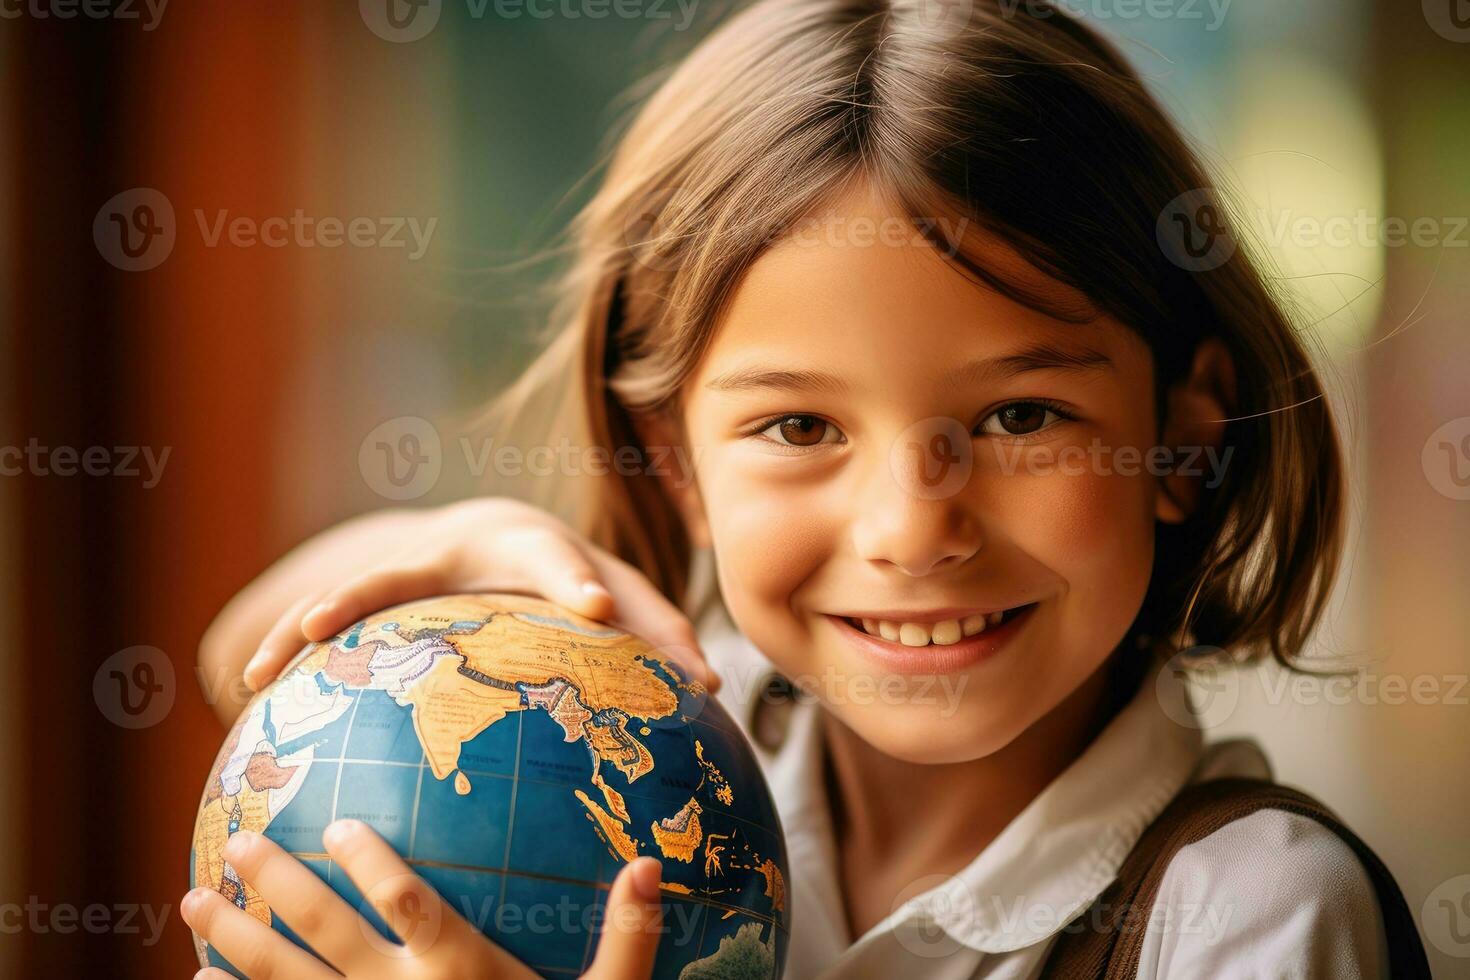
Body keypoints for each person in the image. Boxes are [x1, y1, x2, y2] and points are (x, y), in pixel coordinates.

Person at [182, 0, 1429, 976]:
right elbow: (245, 658)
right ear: (673, 460)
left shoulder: (1248, 914)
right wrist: (464, 543)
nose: (911, 529)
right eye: (797, 424)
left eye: (1020, 415)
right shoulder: (647, 752)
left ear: (1184, 439)